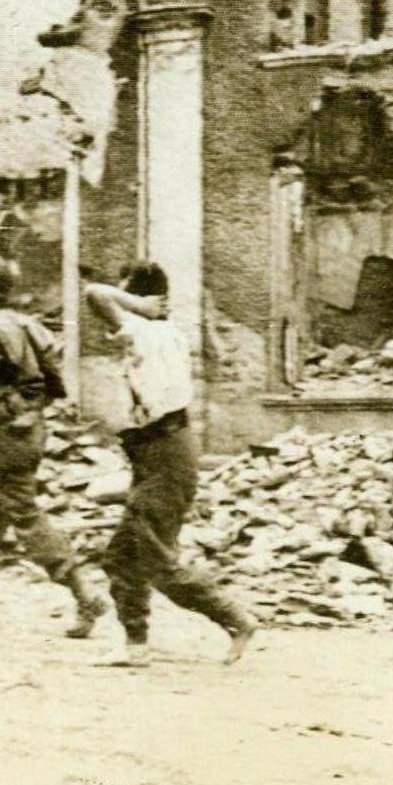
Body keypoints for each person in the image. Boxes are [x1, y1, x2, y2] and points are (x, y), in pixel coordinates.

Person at [85, 262, 258, 667]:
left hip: (166, 453)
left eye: (127, 293)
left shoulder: (143, 330)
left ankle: (236, 619)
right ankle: (136, 648)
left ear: (140, 298)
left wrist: (138, 306)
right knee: (122, 557)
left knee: (156, 561)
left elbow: (96, 294)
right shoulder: (168, 333)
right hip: (156, 451)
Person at [0, 254, 107, 638]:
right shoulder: (26, 324)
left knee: (25, 516)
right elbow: (53, 383)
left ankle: (85, 595)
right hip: (28, 430)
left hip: (8, 436)